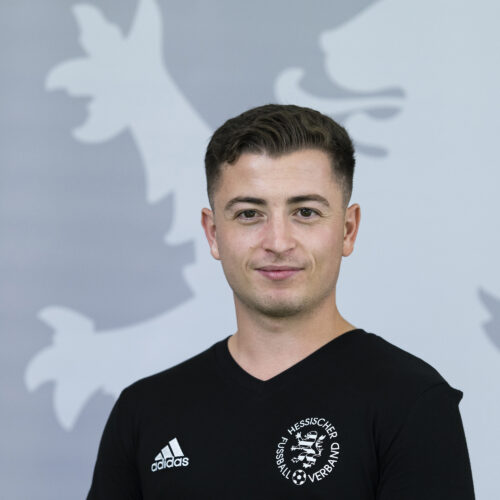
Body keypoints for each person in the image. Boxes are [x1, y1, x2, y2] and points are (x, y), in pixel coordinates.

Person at [87, 104, 475, 499]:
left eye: (305, 212)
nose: (277, 242)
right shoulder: (145, 411)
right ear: (213, 233)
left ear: (347, 229)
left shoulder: (411, 402)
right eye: (249, 214)